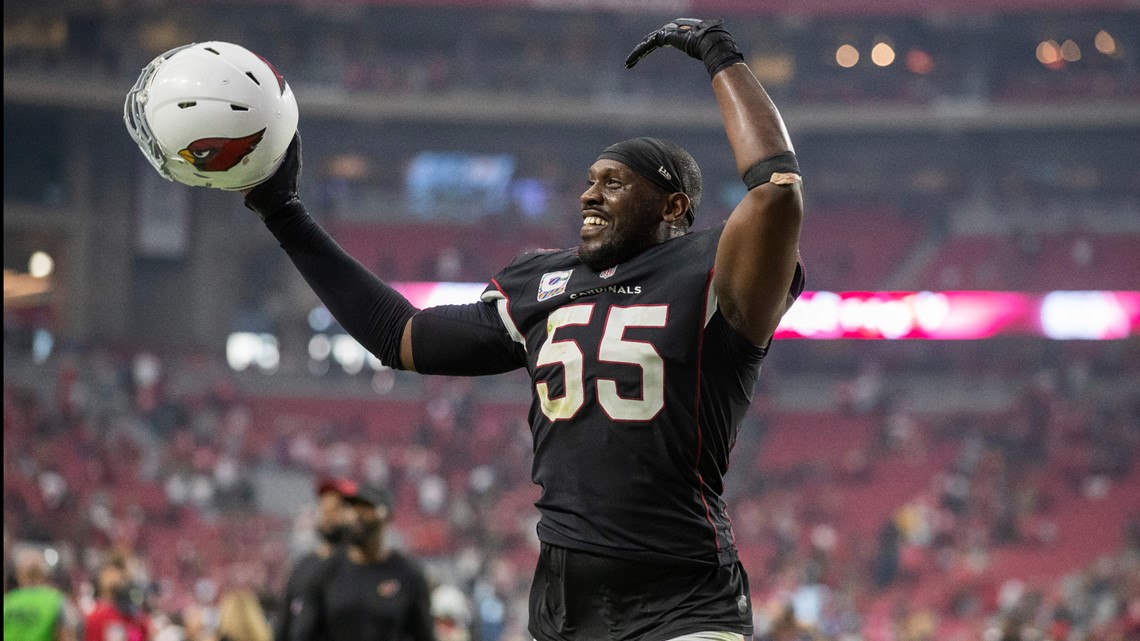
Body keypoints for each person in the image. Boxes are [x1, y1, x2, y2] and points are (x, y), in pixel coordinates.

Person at [241, 18, 804, 641]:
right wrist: (285, 216)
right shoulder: (541, 282)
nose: (589, 196)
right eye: (588, 182)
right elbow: (397, 334)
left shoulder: (710, 268)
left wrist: (719, 53)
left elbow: (776, 190)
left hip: (684, 598)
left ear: (673, 206)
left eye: (613, 183)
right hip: (566, 604)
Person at [293, 482, 434, 641]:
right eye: (352, 507)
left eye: (366, 507)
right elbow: (303, 634)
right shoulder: (324, 573)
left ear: (386, 516)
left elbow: (424, 635)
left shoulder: (408, 575)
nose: (357, 515)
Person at [275, 479, 351, 641]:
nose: (329, 515)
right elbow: (284, 627)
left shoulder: (363, 567)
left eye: (337, 509)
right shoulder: (304, 567)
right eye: (324, 508)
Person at [2, 547, 78, 641]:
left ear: (18, 574)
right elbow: (66, 636)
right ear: (45, 574)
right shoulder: (57, 601)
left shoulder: (7, 601)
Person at [84, 556, 150, 641]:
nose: (114, 578)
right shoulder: (91, 613)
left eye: (124, 575)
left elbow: (140, 636)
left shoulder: (135, 618)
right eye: (110, 572)